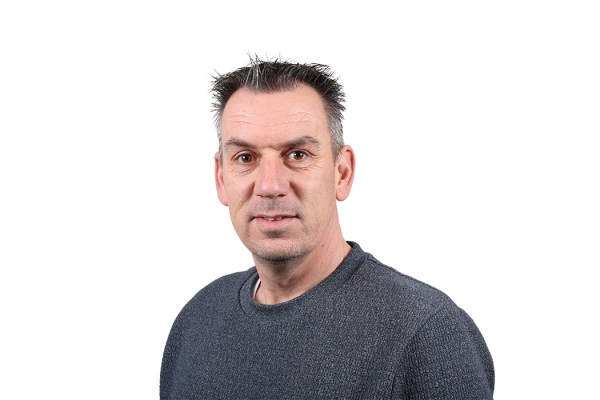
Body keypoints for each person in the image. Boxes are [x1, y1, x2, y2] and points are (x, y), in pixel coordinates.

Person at [160, 57, 495, 399]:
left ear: (342, 173)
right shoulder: (196, 322)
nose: (270, 186)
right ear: (221, 178)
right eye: (245, 158)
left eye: (298, 155)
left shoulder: (426, 334)